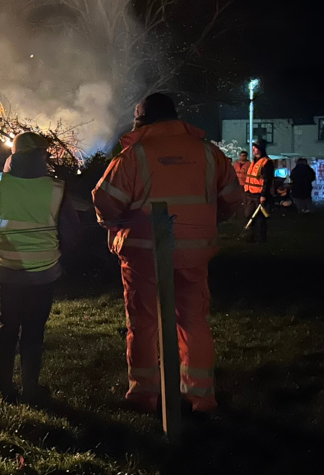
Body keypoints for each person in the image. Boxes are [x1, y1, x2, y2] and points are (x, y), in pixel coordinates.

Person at [93, 93, 242, 414]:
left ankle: (145, 396)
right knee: (193, 321)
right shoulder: (209, 153)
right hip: (194, 253)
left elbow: (105, 201)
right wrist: (208, 221)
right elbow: (231, 198)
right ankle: (200, 397)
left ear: (141, 121)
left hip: (143, 254)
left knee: (144, 324)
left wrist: (115, 224)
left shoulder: (134, 156)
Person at [0, 132, 80, 405]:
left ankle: (5, 390)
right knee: (34, 330)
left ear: (14, 155)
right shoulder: (56, 188)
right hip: (44, 272)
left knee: (7, 327)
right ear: (42, 155)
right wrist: (56, 254)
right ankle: (31, 389)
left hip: (8, 270)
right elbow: (72, 233)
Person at [243, 139, 274, 242]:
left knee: (260, 218)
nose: (253, 150)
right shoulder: (254, 161)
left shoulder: (267, 163)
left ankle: (261, 239)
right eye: (253, 147)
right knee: (249, 215)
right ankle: (251, 237)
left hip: (259, 194)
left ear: (261, 149)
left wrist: (263, 195)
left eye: (255, 148)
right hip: (250, 193)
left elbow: (267, 180)